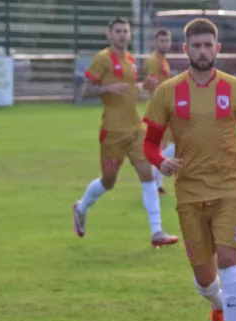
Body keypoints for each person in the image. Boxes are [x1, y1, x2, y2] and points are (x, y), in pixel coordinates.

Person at [142, 17, 236, 321]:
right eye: (196, 45)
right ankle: (217, 306)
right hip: (190, 191)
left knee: (229, 258)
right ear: (186, 50)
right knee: (204, 278)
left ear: (217, 48)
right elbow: (150, 143)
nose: (203, 51)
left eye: (208, 44)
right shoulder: (168, 91)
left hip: (229, 187)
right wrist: (160, 162)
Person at [72, 17, 178, 247]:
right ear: (109, 35)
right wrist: (107, 88)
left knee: (148, 176)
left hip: (135, 128)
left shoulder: (130, 60)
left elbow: (129, 92)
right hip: (112, 131)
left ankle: (157, 232)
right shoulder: (102, 59)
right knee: (108, 181)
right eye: (118, 31)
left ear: (130, 35)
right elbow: (85, 91)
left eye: (125, 31)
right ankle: (81, 208)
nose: (122, 35)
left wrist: (143, 88)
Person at [143, 28, 175, 194]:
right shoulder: (154, 61)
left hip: (164, 107)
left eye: (167, 40)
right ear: (154, 43)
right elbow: (153, 84)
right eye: (162, 40)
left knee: (164, 145)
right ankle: (154, 176)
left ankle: (157, 183)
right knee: (176, 141)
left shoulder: (163, 61)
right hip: (159, 109)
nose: (165, 43)